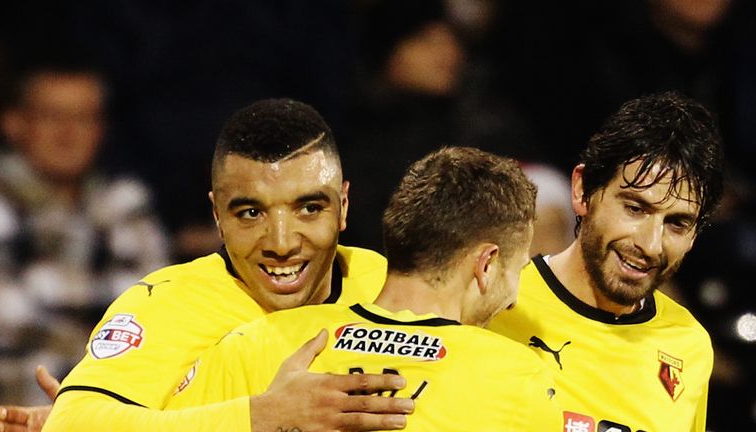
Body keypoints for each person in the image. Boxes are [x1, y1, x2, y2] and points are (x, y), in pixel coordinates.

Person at [0, 99, 412, 432]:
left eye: (309, 208)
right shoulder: (168, 303)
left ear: (343, 206)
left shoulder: (397, 287)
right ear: (217, 216)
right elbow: (76, 424)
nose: (281, 243)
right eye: (250, 213)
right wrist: (260, 418)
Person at [166, 146, 562, 431]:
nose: (513, 298)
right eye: (519, 268)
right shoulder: (513, 378)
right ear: (486, 264)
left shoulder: (260, 343)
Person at [489, 91, 725, 431]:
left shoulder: (689, 345)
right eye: (635, 208)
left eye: (677, 223)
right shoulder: (491, 301)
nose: (650, 245)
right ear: (583, 191)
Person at [0, 58, 169, 407]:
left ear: (102, 129)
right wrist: (103, 341)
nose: (68, 132)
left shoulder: (126, 202)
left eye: (84, 118)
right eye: (53, 116)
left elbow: (156, 307)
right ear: (14, 124)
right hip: (9, 407)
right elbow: (1, 312)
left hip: (112, 406)